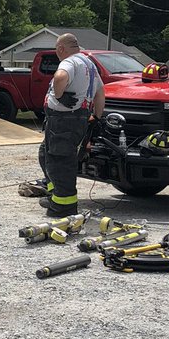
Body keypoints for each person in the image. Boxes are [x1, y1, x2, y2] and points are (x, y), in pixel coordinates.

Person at [37, 33, 105, 217]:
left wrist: (59, 96)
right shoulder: (90, 64)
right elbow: (100, 92)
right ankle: (55, 194)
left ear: (61, 49)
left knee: (60, 162)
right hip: (75, 119)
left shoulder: (69, 62)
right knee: (45, 155)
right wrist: (97, 117)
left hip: (63, 120)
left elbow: (60, 77)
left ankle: (63, 207)